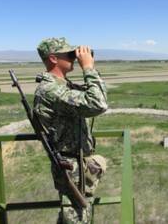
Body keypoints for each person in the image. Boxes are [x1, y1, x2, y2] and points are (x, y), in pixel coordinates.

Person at [34, 37, 108, 223]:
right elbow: (98, 104)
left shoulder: (62, 85)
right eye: (69, 55)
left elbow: (97, 95)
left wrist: (91, 69)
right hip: (71, 168)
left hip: (77, 165)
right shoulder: (51, 89)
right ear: (53, 58)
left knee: (75, 217)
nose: (74, 58)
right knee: (76, 218)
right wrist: (88, 69)